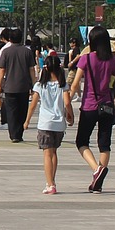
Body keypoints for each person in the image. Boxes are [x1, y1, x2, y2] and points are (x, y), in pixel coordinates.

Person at [68, 26, 115, 193]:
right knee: (104, 144)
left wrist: (68, 105)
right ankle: (98, 181)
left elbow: (75, 83)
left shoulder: (85, 59)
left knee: (81, 141)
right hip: (107, 105)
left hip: (89, 106)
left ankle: (96, 169)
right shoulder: (113, 61)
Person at [24, 54, 73, 194]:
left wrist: (27, 121)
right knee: (54, 152)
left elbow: (33, 105)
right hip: (59, 124)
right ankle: (52, 181)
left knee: (47, 154)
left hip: (45, 123)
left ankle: (50, 184)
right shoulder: (63, 85)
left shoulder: (39, 85)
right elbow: (67, 102)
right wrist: (70, 116)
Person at [0, 28, 35, 143]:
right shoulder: (27, 51)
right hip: (24, 86)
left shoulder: (6, 52)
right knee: (22, 110)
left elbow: (2, 70)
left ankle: (13, 135)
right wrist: (33, 84)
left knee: (11, 111)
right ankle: (19, 133)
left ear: (10, 39)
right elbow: (31, 69)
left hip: (9, 86)